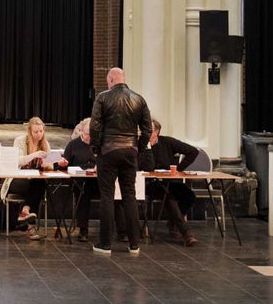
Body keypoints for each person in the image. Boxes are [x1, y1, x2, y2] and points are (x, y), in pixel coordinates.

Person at [89, 67, 152, 255]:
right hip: (130, 151)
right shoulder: (138, 99)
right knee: (129, 196)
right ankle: (134, 244)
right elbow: (147, 130)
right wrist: (137, 148)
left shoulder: (102, 97)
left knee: (107, 196)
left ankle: (105, 244)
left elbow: (95, 125)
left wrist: (95, 148)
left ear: (110, 79)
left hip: (108, 151)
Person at [141, 120, 200, 247]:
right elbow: (146, 167)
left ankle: (173, 222)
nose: (144, 133)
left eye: (148, 131)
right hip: (150, 184)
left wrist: (179, 169)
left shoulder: (167, 142)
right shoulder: (141, 145)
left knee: (189, 196)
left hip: (170, 182)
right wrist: (148, 148)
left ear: (156, 132)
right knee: (169, 196)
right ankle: (187, 234)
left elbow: (193, 151)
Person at [0, 117, 55, 240]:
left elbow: (50, 165)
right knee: (37, 185)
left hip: (34, 181)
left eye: (41, 131)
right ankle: (30, 226)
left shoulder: (45, 144)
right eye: (36, 132)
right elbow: (17, 160)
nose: (39, 134)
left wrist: (47, 165)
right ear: (30, 131)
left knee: (38, 182)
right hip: (17, 180)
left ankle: (25, 210)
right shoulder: (20, 141)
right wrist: (34, 155)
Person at [56, 117, 99, 242]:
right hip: (79, 182)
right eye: (87, 134)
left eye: (92, 135)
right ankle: (83, 229)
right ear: (81, 132)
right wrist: (63, 164)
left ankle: (118, 230)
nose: (89, 137)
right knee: (83, 193)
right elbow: (64, 164)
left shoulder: (99, 144)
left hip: (97, 180)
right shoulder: (73, 145)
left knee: (115, 192)